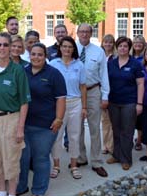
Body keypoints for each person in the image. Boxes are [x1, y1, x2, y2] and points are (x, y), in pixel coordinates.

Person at [0, 32, 30, 196]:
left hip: (11, 119)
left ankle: (11, 192)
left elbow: (24, 102)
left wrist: (20, 128)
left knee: (11, 159)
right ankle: (1, 191)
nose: (2, 48)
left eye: (5, 45)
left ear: (10, 48)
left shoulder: (18, 71)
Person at [16, 43, 67, 196]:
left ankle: (39, 190)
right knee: (22, 159)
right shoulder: (22, 72)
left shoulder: (54, 74)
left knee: (40, 158)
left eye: (40, 54)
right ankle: (20, 186)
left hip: (45, 126)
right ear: (29, 55)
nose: (36, 57)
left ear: (45, 56)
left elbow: (61, 98)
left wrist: (59, 118)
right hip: (23, 124)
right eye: (33, 54)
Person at [50, 36, 87, 180]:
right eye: (64, 46)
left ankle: (74, 165)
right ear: (60, 48)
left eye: (70, 47)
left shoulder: (79, 65)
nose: (67, 49)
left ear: (74, 49)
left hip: (75, 103)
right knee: (57, 136)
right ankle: (56, 165)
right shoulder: (53, 64)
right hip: (59, 104)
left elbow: (83, 87)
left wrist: (84, 107)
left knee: (74, 135)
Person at [76, 24, 110, 178]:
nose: (84, 34)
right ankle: (81, 157)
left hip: (93, 92)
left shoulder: (99, 51)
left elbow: (104, 74)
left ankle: (96, 161)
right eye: (81, 31)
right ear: (77, 33)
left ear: (91, 33)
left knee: (95, 127)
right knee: (77, 129)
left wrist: (105, 95)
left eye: (87, 31)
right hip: (76, 93)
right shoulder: (71, 49)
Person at [106, 36, 144, 170]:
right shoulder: (111, 63)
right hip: (113, 102)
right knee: (115, 130)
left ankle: (126, 158)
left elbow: (140, 83)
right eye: (120, 46)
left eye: (125, 46)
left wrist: (139, 103)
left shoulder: (135, 64)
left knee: (127, 131)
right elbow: (106, 82)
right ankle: (116, 155)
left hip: (129, 102)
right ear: (117, 47)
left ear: (129, 48)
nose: (123, 48)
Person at [100, 34, 115, 155]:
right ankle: (105, 144)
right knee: (104, 120)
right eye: (106, 42)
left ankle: (111, 145)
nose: (108, 44)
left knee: (112, 120)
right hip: (101, 90)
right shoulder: (99, 55)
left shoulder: (115, 57)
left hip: (113, 90)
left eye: (110, 42)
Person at [131, 35, 146, 150]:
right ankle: (129, 139)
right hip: (130, 91)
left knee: (140, 118)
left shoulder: (146, 57)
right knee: (130, 118)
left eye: (140, 42)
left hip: (142, 90)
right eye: (135, 42)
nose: (137, 44)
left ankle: (139, 140)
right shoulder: (129, 57)